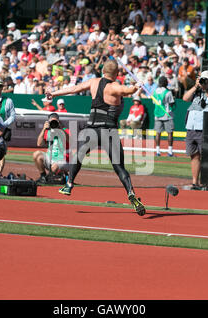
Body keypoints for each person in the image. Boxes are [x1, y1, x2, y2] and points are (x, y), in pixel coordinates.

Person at [46, 59, 146, 216]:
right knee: (119, 167)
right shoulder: (114, 86)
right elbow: (127, 90)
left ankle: (69, 184)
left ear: (103, 71)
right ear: (117, 73)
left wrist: (53, 93)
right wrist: (137, 86)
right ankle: (130, 192)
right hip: (109, 130)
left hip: (92, 128)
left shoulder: (93, 82)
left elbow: (74, 88)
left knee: (78, 155)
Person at [182, 70, 208, 190]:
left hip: (205, 126)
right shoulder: (196, 90)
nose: (203, 82)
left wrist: (207, 90)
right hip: (191, 126)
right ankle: (195, 182)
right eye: (202, 80)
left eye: (205, 80)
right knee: (194, 155)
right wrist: (196, 86)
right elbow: (185, 98)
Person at [33, 113, 70, 184]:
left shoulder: (65, 130)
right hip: (50, 159)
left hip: (63, 160)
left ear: (59, 122)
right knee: (36, 154)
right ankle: (43, 177)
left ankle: (62, 175)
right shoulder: (48, 132)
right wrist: (44, 129)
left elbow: (70, 140)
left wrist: (60, 129)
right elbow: (39, 144)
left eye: (55, 121)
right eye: (52, 122)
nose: (54, 123)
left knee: (54, 167)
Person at [153, 76, 176, 157]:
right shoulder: (168, 92)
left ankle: (158, 151)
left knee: (158, 133)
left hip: (157, 114)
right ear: (165, 82)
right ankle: (170, 151)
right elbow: (171, 103)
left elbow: (154, 102)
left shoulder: (155, 91)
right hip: (167, 114)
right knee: (170, 132)